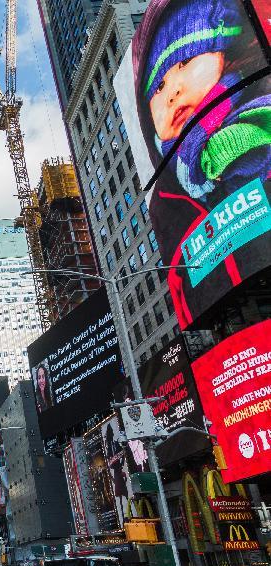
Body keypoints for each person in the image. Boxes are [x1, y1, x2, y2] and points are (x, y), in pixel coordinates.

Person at [129, 0, 271, 329]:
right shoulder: (163, 205)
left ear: (225, 51)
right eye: (158, 87)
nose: (172, 92)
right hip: (230, 336)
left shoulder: (261, 112)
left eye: (186, 59)